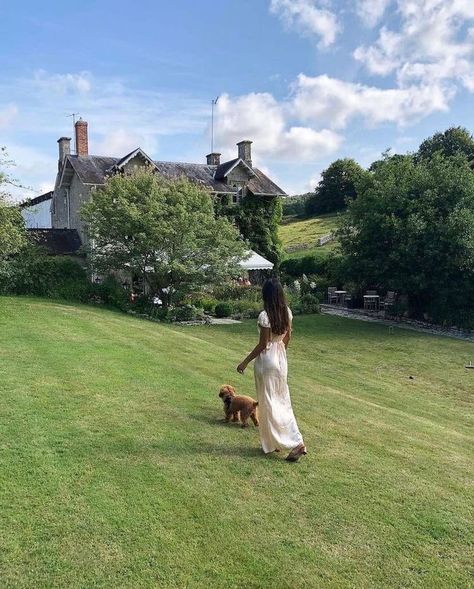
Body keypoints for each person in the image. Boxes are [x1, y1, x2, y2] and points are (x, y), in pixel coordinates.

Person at [237, 277, 307, 462]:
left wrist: (244, 362)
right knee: (282, 401)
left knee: (269, 404)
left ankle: (295, 442)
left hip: (266, 362)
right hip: (280, 360)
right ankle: (274, 442)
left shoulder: (265, 316)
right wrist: (280, 354)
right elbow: (287, 337)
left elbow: (262, 344)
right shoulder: (287, 312)